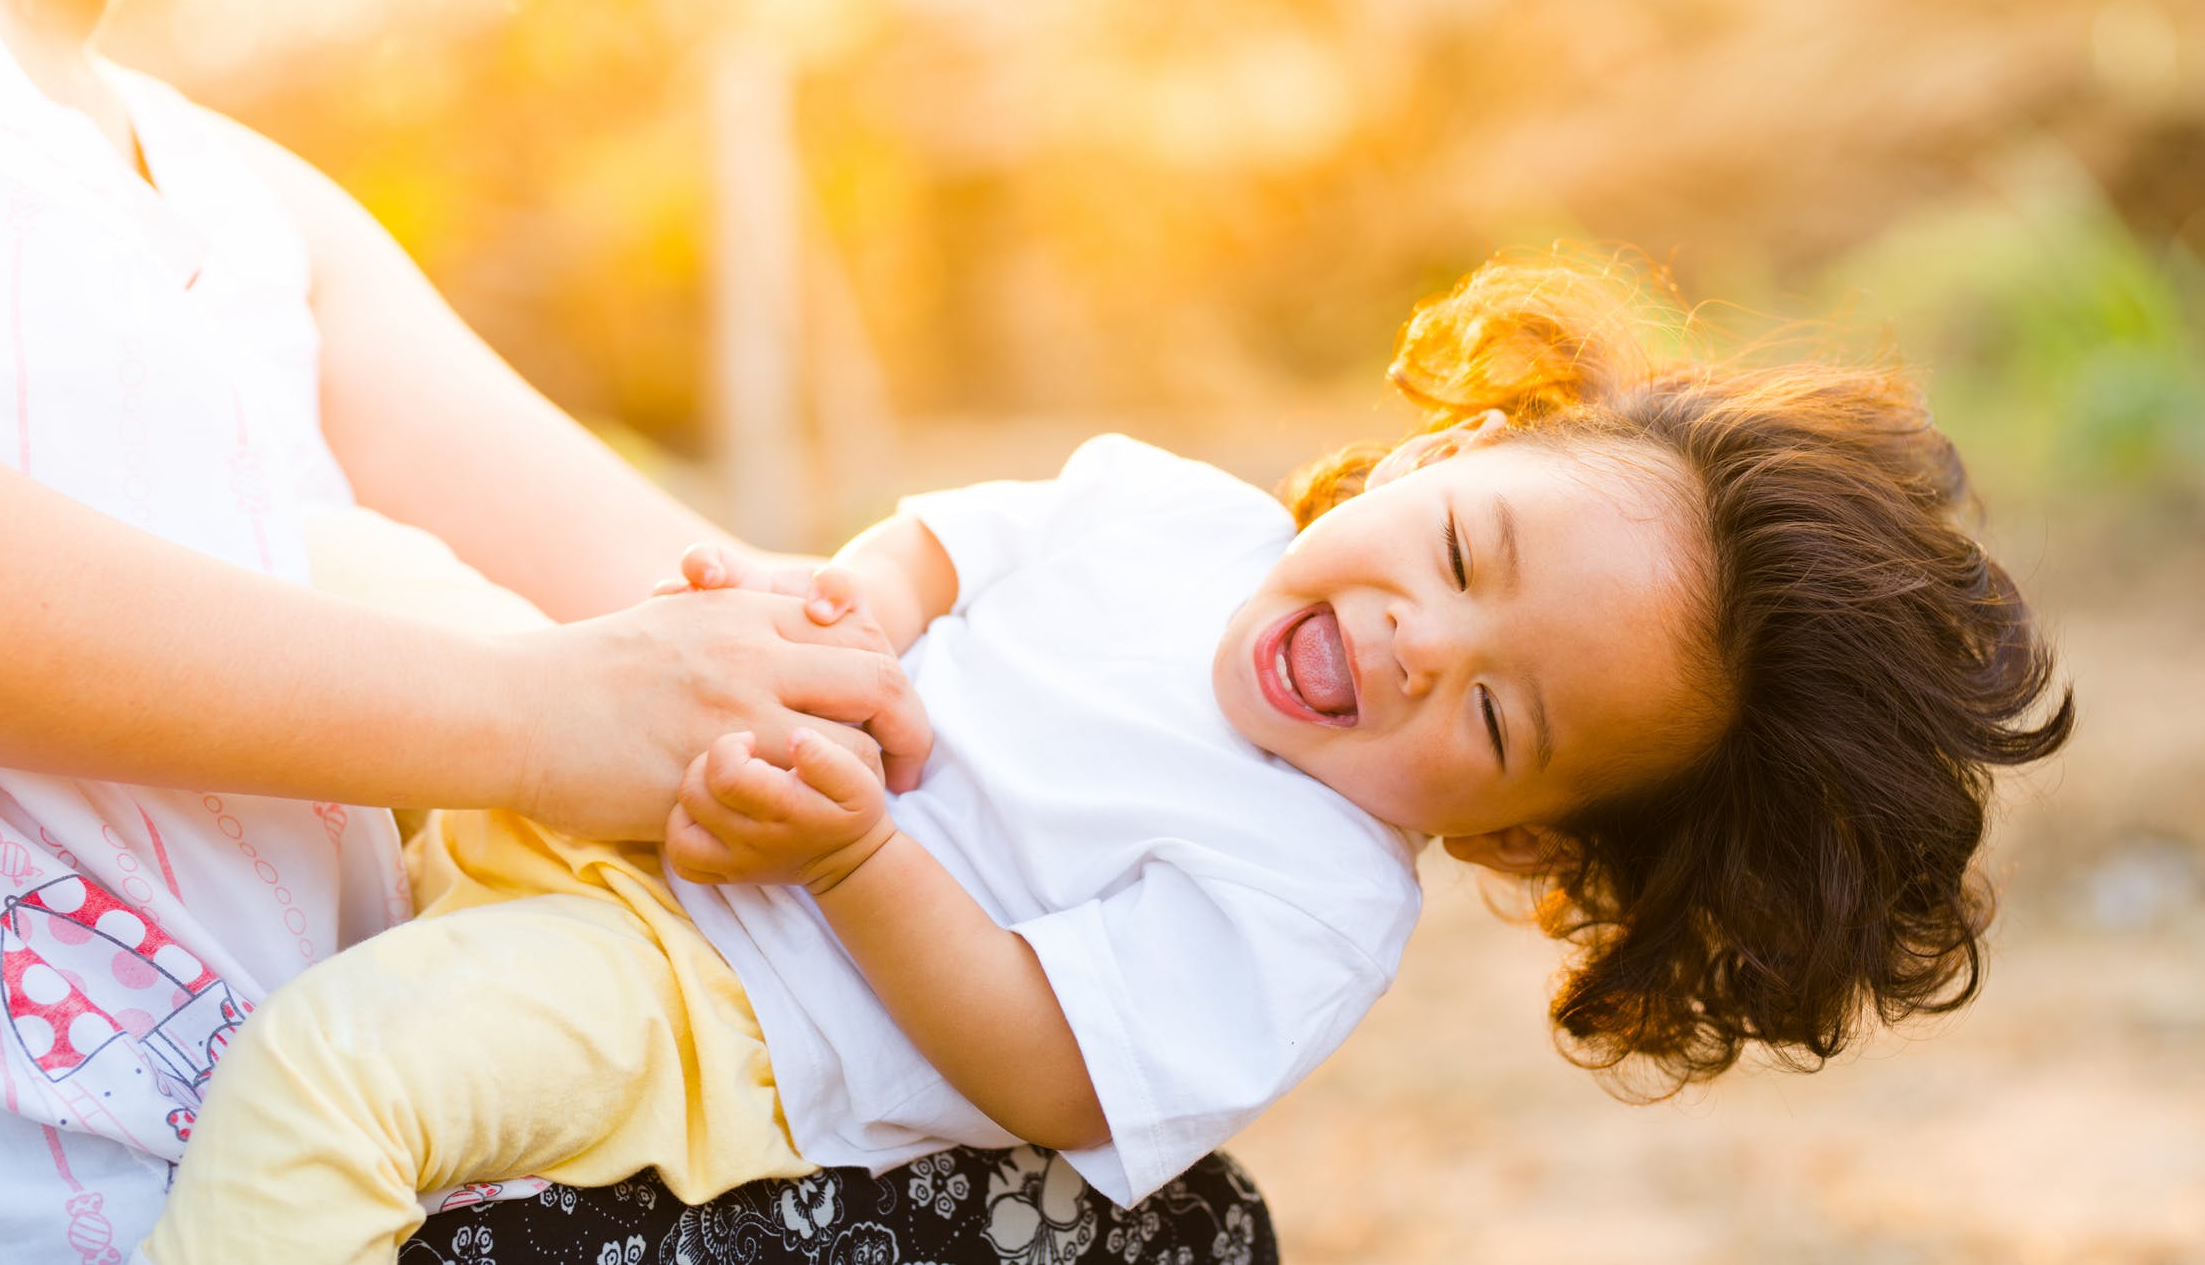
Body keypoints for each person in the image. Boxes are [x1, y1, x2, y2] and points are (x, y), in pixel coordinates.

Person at [142, 259, 2076, 1263]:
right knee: (312, 571)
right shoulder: (1168, 510)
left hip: (695, 990)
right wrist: (845, 624)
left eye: (1499, 716)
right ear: (1432, 457)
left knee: (342, 1077)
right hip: (641, 759)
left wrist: (850, 860)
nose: (1421, 641)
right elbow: (937, 549)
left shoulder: (1311, 903)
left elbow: (1039, 1061)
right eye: (1468, 550)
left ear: (1531, 830)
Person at [0, 0, 1245, 1261]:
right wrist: (536, 715)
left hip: (371, 1188)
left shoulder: (250, 206)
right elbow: (583, 700)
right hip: (37, 1203)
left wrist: (1223, 781)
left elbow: (730, 623)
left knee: (1165, 1215)